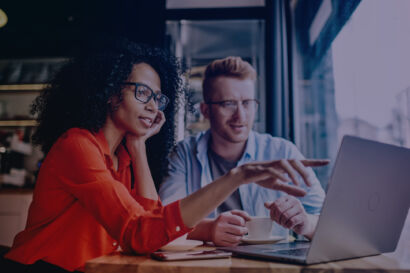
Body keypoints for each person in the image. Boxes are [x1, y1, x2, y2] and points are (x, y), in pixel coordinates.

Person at [2, 42, 327, 272]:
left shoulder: (123, 158)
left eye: (158, 97)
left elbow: (151, 227)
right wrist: (236, 177)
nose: (154, 106)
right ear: (110, 92)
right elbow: (141, 232)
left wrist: (139, 146)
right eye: (142, 93)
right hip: (42, 268)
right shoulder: (78, 146)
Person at [159, 56, 327, 247]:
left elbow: (331, 223)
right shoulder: (184, 153)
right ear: (205, 111)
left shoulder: (282, 151)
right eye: (228, 103)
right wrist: (209, 230)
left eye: (247, 103)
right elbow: (163, 222)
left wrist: (306, 223)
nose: (241, 115)